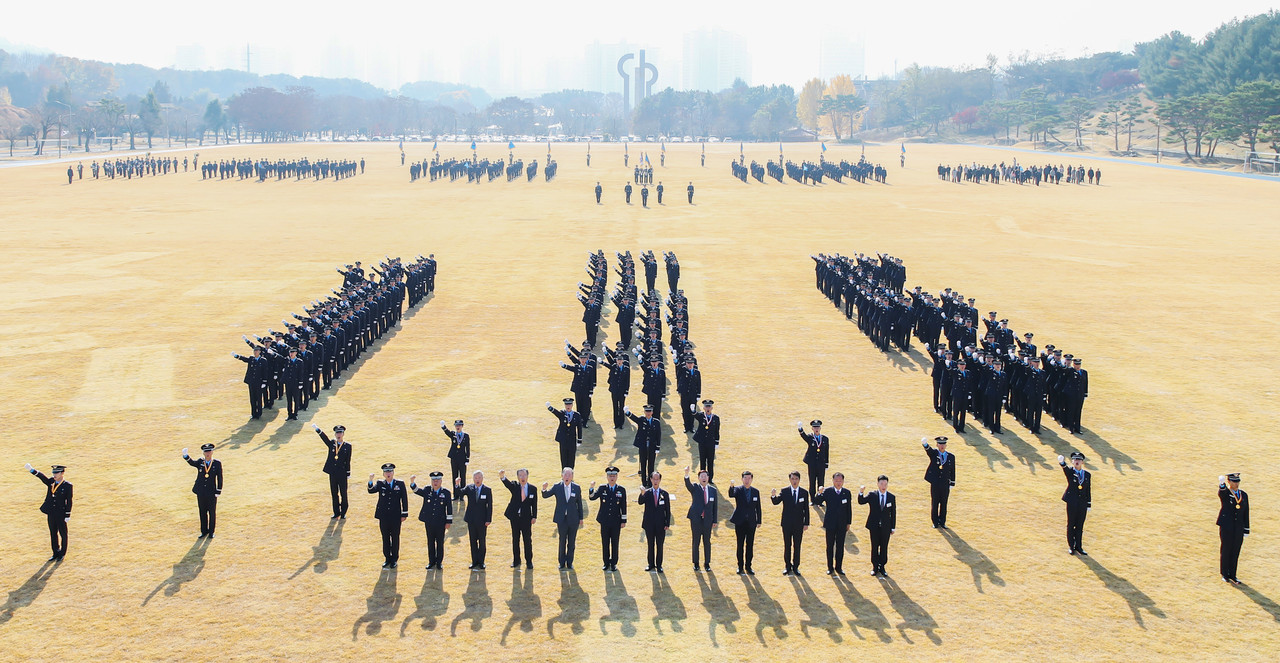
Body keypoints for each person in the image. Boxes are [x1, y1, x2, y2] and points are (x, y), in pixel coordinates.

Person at [24, 463, 72, 561]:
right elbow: (42, 477)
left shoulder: (68, 486)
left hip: (61, 513)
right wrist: (32, 470)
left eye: (56, 473)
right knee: (53, 533)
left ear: (62, 473)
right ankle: (55, 552)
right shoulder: (51, 482)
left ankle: (62, 553)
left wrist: (68, 514)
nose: (54, 474)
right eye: (53, 472)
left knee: (63, 534)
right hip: (51, 512)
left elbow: (69, 500)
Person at [541, 467, 585, 570]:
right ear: (562, 475)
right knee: (562, 541)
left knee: (572, 541)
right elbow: (546, 495)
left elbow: (579, 504)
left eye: (569, 475)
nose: (567, 477)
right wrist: (544, 489)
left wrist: (581, 518)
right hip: (562, 519)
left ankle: (570, 562)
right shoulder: (557, 486)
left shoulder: (576, 487)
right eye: (565, 474)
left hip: (573, 519)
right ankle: (561, 562)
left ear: (572, 477)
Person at [368, 463, 408, 569]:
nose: (388, 473)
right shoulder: (380, 483)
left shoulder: (400, 483)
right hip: (384, 516)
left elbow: (404, 499)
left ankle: (394, 559)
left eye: (390, 471)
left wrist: (404, 513)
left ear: (393, 472)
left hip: (395, 516)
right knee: (385, 537)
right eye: (386, 472)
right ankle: (387, 558)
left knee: (395, 537)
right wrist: (370, 480)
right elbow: (371, 490)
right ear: (383, 474)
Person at [771, 470, 810, 576]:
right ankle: (787, 566)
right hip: (787, 523)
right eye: (792, 479)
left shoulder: (804, 493)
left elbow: (806, 509)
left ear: (799, 480)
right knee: (787, 545)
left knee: (797, 546)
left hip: (799, 524)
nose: (794, 481)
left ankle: (796, 567)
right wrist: (773, 496)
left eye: (796, 479)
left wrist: (806, 523)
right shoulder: (785, 491)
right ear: (789, 479)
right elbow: (776, 502)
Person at [410, 471, 452, 569]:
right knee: (430, 542)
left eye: (437, 480)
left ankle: (439, 563)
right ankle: (431, 561)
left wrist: (448, 522)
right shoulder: (427, 490)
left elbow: (449, 508)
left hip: (440, 522)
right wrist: (412, 482)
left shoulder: (446, 493)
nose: (435, 482)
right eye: (433, 480)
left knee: (440, 543)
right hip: (429, 522)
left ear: (441, 481)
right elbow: (417, 491)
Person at [813, 473, 853, 575]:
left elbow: (849, 509)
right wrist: (819, 493)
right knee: (829, 546)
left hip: (842, 524)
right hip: (830, 523)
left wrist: (848, 522)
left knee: (840, 546)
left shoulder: (847, 493)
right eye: (836, 480)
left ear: (843, 481)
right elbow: (817, 501)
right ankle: (830, 567)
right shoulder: (828, 491)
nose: (838, 483)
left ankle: (839, 567)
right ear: (833, 481)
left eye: (840, 481)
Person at [590, 466, 628, 571]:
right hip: (605, 520)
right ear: (607, 477)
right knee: (605, 542)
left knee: (615, 543)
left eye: (614, 476)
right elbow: (592, 497)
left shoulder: (621, 490)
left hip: (616, 521)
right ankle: (606, 562)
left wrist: (623, 520)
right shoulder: (603, 488)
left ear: (617, 477)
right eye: (610, 476)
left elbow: (623, 506)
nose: (612, 478)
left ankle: (614, 563)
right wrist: (591, 488)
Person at [858, 475, 896, 577]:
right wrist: (861, 492)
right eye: (881, 484)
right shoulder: (872, 495)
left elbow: (893, 513)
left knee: (884, 547)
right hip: (874, 526)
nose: (883, 486)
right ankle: (875, 567)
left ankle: (882, 567)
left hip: (886, 527)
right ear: (878, 484)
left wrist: (893, 527)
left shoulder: (891, 497)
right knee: (874, 546)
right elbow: (861, 502)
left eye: (885, 484)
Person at [182, 443, 222, 539]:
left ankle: (211, 532)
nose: (207, 453)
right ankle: (204, 531)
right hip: (201, 491)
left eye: (209, 451)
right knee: (202, 511)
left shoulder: (216, 463)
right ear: (203, 453)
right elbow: (192, 463)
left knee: (212, 512)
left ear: (212, 452)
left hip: (211, 492)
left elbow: (220, 477)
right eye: (206, 452)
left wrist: (218, 490)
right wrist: (185, 456)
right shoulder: (201, 461)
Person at [499, 469, 538, 569]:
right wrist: (502, 477)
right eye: (520, 475)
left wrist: (534, 516)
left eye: (524, 475)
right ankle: (516, 560)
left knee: (527, 540)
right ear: (517, 477)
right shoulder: (515, 486)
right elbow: (507, 484)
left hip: (526, 518)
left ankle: (529, 561)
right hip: (515, 518)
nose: (522, 477)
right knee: (515, 539)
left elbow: (534, 504)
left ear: (527, 476)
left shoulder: (533, 489)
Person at [312, 423, 352, 518]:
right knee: (334, 493)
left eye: (340, 433)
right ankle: (336, 512)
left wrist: (348, 472)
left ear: (343, 434)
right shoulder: (332, 444)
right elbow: (324, 439)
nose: (338, 435)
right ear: (335, 434)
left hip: (342, 473)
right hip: (333, 473)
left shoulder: (348, 446)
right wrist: (318, 430)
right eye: (337, 433)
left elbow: (348, 460)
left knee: (343, 493)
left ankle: (343, 513)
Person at [684, 466, 719, 572]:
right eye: (701, 476)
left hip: (708, 520)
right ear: (699, 478)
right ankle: (696, 563)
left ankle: (707, 563)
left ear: (708, 478)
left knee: (707, 541)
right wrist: (686, 475)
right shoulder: (695, 487)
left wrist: (715, 520)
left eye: (705, 476)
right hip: (696, 519)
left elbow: (715, 507)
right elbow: (688, 485)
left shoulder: (713, 490)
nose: (704, 478)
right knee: (696, 541)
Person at [456, 470, 494, 569]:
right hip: (471, 520)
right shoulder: (469, 488)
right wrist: (457, 485)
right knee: (473, 541)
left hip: (482, 520)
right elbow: (460, 493)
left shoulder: (487, 490)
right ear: (473, 479)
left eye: (479, 478)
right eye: (476, 478)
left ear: (482, 478)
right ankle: (474, 561)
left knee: (482, 541)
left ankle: (481, 562)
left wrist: (488, 519)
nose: (477, 480)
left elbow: (489, 506)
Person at [1217, 473, 1249, 584]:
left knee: (1235, 551)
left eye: (1238, 481)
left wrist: (1246, 529)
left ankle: (1233, 575)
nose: (1237, 484)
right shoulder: (1226, 493)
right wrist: (1222, 484)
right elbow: (1222, 493)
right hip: (1227, 526)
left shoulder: (1243, 495)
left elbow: (1246, 512)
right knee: (1226, 550)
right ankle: (1225, 574)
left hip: (1238, 527)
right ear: (1229, 482)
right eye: (1234, 481)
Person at [728, 471, 762, 575]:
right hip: (740, 522)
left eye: (749, 478)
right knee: (740, 544)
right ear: (742, 479)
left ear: (752, 479)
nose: (747, 480)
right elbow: (731, 494)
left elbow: (758, 508)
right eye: (745, 478)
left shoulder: (756, 491)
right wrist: (731, 486)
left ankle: (748, 566)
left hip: (751, 522)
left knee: (750, 545)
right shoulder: (738, 490)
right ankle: (740, 566)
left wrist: (759, 520)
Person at [639, 471, 672, 573]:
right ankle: (650, 564)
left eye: (657, 479)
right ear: (651, 480)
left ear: (660, 480)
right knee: (650, 544)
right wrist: (642, 494)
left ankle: (659, 565)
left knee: (660, 545)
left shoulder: (664, 494)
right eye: (654, 479)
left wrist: (667, 523)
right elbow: (640, 502)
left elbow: (668, 509)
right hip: (649, 524)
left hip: (661, 524)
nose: (656, 481)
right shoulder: (647, 493)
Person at [1059, 452, 1091, 555]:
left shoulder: (1087, 474)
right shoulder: (1070, 472)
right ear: (1072, 461)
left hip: (1082, 503)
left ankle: (1079, 547)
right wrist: (1062, 462)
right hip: (1072, 502)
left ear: (1082, 462)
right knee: (1071, 524)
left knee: (1080, 525)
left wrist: (1089, 503)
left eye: (1079, 460)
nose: (1077, 461)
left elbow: (1088, 490)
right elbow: (1065, 468)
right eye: (1075, 460)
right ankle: (1071, 546)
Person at [922, 436, 955, 528]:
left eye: (943, 444)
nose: (942, 446)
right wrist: (925, 444)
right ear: (937, 444)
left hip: (945, 484)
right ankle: (935, 522)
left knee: (944, 503)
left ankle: (942, 522)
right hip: (935, 483)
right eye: (940, 444)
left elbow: (952, 470)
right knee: (935, 503)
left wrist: (952, 482)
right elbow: (929, 450)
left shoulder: (951, 457)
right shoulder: (934, 454)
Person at [626, 404, 662, 487]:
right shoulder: (642, 419)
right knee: (643, 464)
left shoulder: (656, 422)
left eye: (649, 411)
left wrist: (658, 447)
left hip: (652, 447)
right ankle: (643, 482)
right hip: (643, 446)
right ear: (644, 412)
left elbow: (658, 435)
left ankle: (650, 482)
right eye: (646, 411)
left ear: (652, 412)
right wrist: (628, 413)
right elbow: (634, 419)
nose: (648, 413)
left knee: (651, 465)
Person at [231, 344, 268, 418]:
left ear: (260, 352)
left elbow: (265, 372)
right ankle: (253, 413)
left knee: (258, 398)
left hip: (259, 382)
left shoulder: (263, 360)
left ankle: (259, 413)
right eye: (254, 351)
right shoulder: (252, 359)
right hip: (252, 382)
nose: (255, 352)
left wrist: (264, 382)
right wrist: (237, 356)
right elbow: (245, 359)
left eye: (257, 351)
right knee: (252, 398)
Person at [547, 399, 583, 471]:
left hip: (572, 440)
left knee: (571, 458)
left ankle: (570, 473)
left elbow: (579, 428)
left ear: (572, 405)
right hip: (563, 440)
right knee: (563, 457)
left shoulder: (577, 415)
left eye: (569, 404)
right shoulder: (562, 413)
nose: (568, 406)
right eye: (566, 404)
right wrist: (550, 408)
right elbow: (556, 412)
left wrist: (579, 440)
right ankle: (564, 474)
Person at [797, 420, 830, 499]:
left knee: (821, 481)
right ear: (812, 428)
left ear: (820, 428)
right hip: (812, 463)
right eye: (815, 427)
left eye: (818, 427)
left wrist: (826, 463)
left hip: (821, 464)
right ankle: (812, 498)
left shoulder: (825, 439)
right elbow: (804, 436)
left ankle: (820, 498)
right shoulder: (810, 437)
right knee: (812, 481)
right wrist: (800, 429)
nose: (816, 429)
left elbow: (826, 451)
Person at [691, 399, 720, 482]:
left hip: (711, 443)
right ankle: (702, 478)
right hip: (702, 442)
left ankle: (710, 478)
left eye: (709, 406)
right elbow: (695, 415)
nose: (708, 408)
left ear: (712, 408)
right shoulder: (701, 416)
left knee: (710, 461)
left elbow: (717, 431)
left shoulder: (716, 418)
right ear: (703, 408)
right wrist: (693, 410)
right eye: (706, 406)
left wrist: (717, 442)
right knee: (702, 460)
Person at [441, 419, 471, 499]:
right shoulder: (453, 434)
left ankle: (462, 495)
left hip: (462, 459)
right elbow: (447, 433)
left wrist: (467, 458)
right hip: (454, 459)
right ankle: (455, 495)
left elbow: (467, 448)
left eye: (459, 425)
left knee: (462, 477)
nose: (458, 427)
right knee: (454, 476)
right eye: (456, 425)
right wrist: (443, 427)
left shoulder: (466, 436)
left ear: (462, 426)